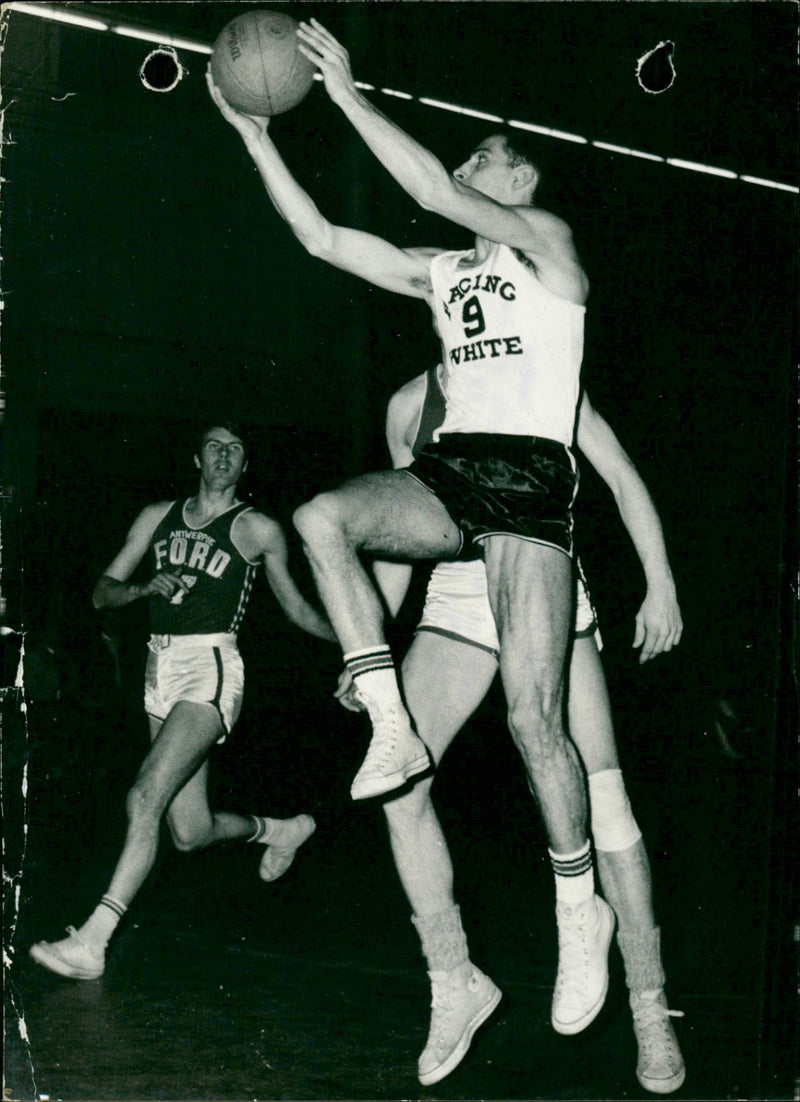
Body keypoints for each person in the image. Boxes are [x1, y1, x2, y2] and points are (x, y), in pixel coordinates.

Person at [209, 21, 610, 1049]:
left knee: (533, 724)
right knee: (321, 516)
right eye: (471, 152)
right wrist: (254, 137)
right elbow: (324, 241)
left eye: (487, 155)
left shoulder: (550, 249)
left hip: (528, 493)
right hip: (452, 476)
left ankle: (580, 911)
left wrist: (343, 94)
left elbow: (431, 185)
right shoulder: (446, 273)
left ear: (519, 181)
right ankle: (447, 960)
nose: (471, 162)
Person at [334, 367, 685, 1092]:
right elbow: (405, 531)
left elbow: (619, 474)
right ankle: (453, 978)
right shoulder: (407, 403)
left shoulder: (542, 363)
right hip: (459, 597)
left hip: (542, 582)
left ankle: (648, 1004)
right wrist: (372, 644)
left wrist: (662, 584)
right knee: (397, 788)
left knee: (606, 804)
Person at [29, 421, 335, 980]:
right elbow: (102, 593)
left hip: (211, 668)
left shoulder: (258, 528)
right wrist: (146, 587)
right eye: (214, 447)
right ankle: (280, 830)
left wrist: (360, 643)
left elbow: (295, 607)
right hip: (158, 668)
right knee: (188, 832)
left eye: (235, 449)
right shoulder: (156, 516)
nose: (223, 456)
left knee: (144, 795)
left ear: (245, 464)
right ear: (197, 458)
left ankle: (93, 941)